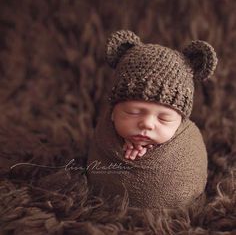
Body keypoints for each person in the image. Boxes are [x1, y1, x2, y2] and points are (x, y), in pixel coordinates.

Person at [87, 30, 218, 209]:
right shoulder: (106, 125)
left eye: (164, 118)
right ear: (113, 112)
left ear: (181, 121)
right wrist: (120, 142)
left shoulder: (185, 138)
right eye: (132, 112)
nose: (147, 124)